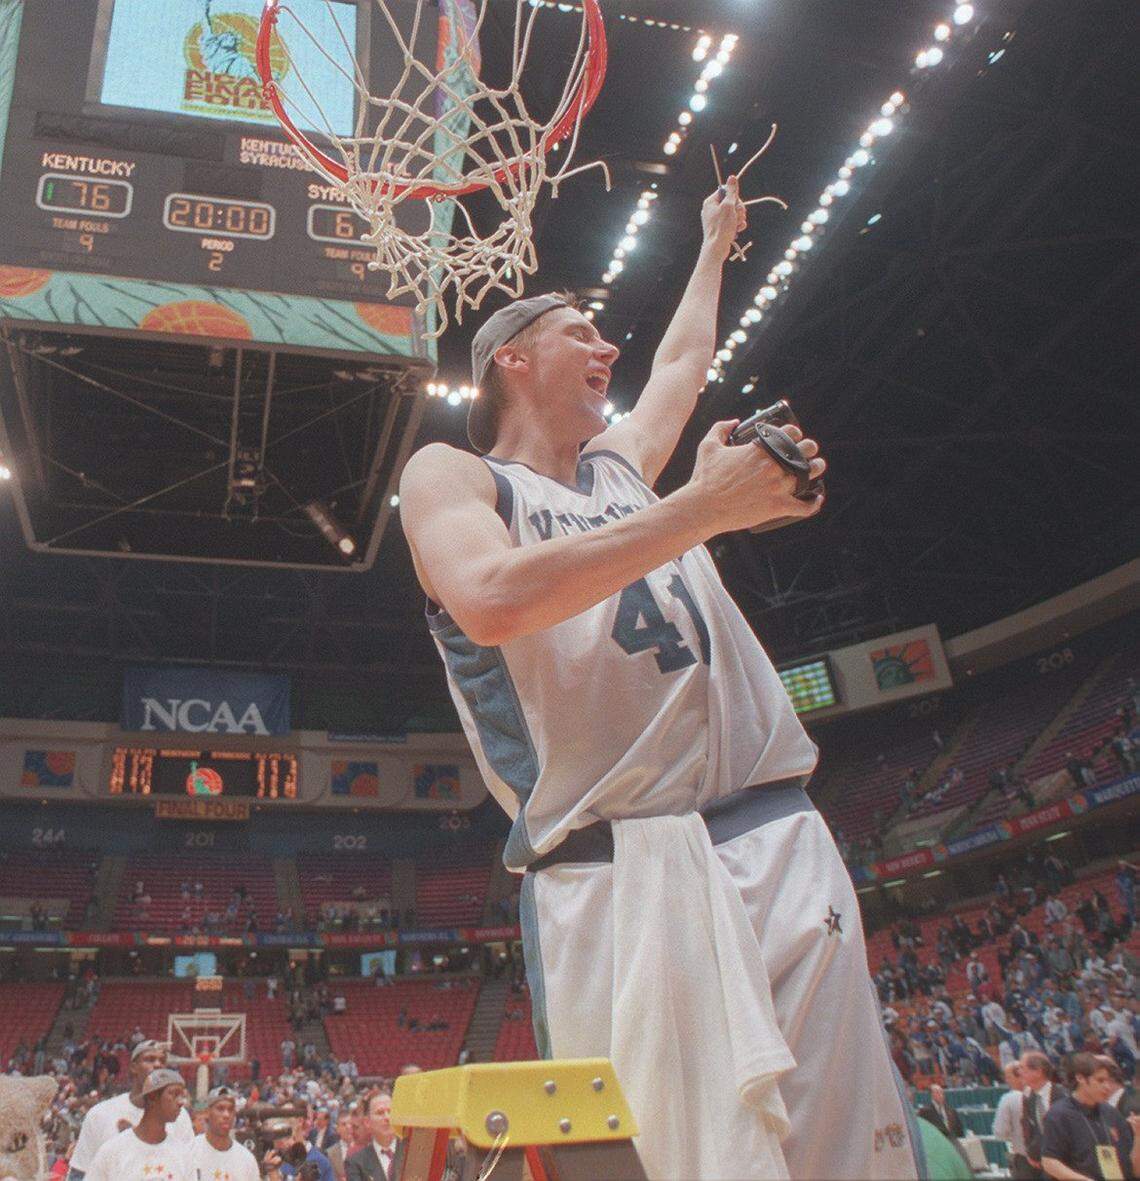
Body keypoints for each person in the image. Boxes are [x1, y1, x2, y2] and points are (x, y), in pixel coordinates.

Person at [398, 176, 919, 1181]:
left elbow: (684, 357)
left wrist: (716, 243)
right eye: (583, 334)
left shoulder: (624, 465)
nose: (608, 351)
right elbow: (492, 599)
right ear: (514, 356)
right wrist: (704, 509)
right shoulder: (456, 477)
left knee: (846, 1152)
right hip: (616, 864)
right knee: (678, 1160)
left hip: (772, 826)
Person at [68, 1040, 194, 1180]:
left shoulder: (180, 1117)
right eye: (150, 1059)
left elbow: (189, 1167)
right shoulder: (100, 1114)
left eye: (162, 1061)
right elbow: (79, 1173)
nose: (158, 1065)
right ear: (133, 1067)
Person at [1041, 1051, 1140, 1180]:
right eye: (1100, 1080)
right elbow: (1049, 1162)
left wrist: (1138, 1136)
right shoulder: (1059, 1114)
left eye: (1109, 1081)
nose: (1107, 1087)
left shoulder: (1111, 1113)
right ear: (1080, 1078)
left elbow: (1134, 1170)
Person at [84, 1069, 191, 1181]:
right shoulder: (113, 1151)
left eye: (182, 1096)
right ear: (152, 1097)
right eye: (174, 1094)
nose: (181, 1102)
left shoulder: (182, 1154)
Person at [187, 1086, 259, 1181]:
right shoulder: (190, 1151)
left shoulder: (246, 1159)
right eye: (220, 1109)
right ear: (208, 1112)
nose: (226, 1115)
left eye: (230, 1110)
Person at [1023, 1051, 1068, 1179]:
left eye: (1023, 1069)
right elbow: (1031, 1129)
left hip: (1065, 1163)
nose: (1020, 1073)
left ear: (1038, 1071)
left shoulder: (1062, 1096)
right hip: (1044, 1165)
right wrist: (1031, 1153)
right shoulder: (1030, 1098)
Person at [345, 1091, 401, 1181]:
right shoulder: (355, 1163)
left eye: (390, 1111)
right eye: (380, 1112)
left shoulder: (412, 1152)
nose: (387, 1117)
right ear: (367, 1122)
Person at [994, 1061, 1034, 1179]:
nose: (1007, 1081)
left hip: (1024, 1160)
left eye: (1009, 1077)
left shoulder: (1008, 1099)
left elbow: (1000, 1132)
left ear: (1020, 1076)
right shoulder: (1040, 1094)